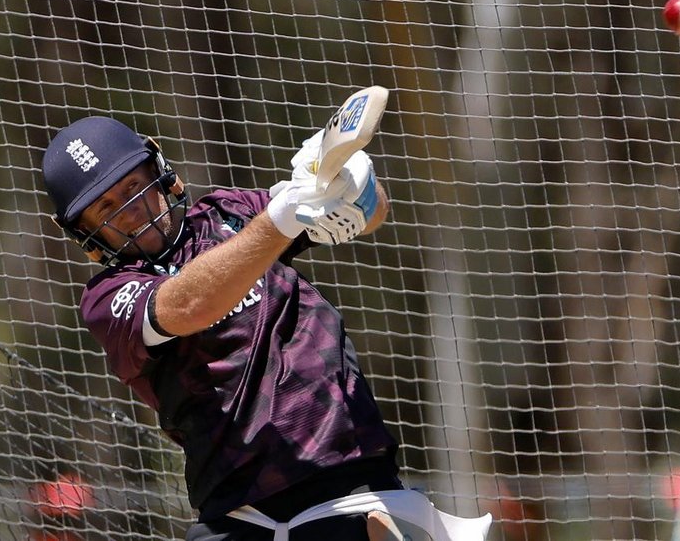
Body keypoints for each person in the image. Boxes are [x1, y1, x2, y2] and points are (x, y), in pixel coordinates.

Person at [41, 105, 491, 541]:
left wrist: (352, 187)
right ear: (88, 237)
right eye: (107, 208)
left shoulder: (230, 214)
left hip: (348, 477)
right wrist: (284, 213)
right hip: (239, 514)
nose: (131, 210)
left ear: (162, 172)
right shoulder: (107, 297)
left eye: (134, 187)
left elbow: (370, 216)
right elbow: (190, 304)